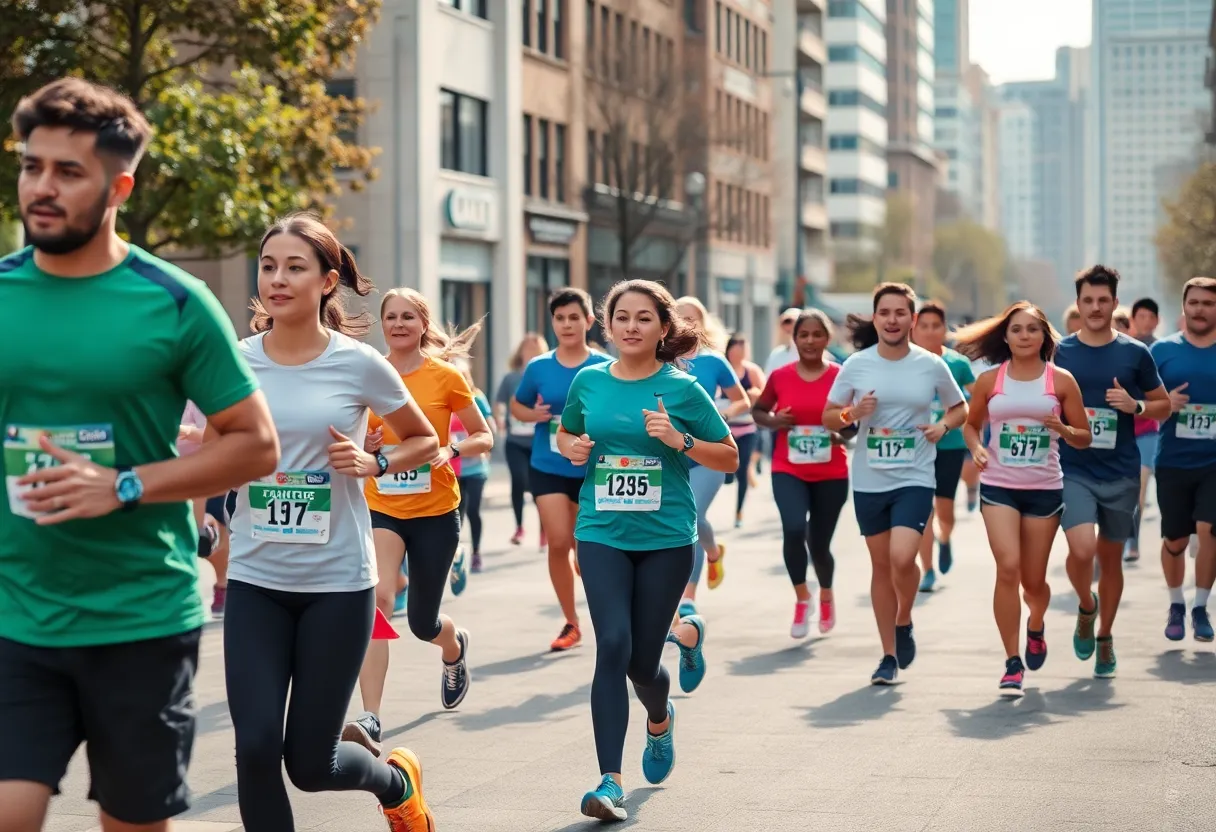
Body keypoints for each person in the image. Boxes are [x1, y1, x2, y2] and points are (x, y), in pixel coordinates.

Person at [0, 78, 280, 832]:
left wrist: (122, 483)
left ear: (119, 185)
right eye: (32, 167)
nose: (42, 187)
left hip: (140, 620)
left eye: (68, 172)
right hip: (16, 614)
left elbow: (255, 444)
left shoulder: (177, 302)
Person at [223, 215, 442, 830]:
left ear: (327, 281)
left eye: (295, 267)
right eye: (268, 266)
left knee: (311, 764)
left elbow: (424, 442)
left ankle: (395, 781)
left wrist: (374, 461)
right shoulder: (233, 363)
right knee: (257, 747)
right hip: (256, 579)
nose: (277, 279)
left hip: (337, 586)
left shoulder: (359, 363)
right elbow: (204, 448)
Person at [556, 279, 737, 822]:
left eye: (643, 318)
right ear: (605, 325)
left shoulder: (682, 389)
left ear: (663, 329)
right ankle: (610, 781)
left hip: (665, 538)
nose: (631, 327)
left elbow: (728, 456)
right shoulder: (588, 382)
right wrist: (574, 447)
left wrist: (678, 440)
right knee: (612, 644)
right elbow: (564, 435)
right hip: (602, 531)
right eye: (621, 317)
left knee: (640, 661)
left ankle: (659, 720)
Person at [344, 287, 491, 756]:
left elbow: (484, 436)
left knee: (423, 622)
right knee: (379, 600)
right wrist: (364, 444)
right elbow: (354, 434)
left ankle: (453, 646)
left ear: (423, 324)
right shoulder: (369, 372)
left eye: (409, 316)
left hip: (435, 510)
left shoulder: (445, 378)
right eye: (392, 317)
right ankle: (370, 716)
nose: (400, 324)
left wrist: (451, 449)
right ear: (382, 323)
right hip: (382, 504)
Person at [823, 283, 967, 685]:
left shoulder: (930, 365)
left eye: (900, 312)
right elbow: (829, 417)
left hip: (916, 476)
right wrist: (854, 411)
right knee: (882, 565)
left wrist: (942, 425)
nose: (891, 319)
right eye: (884, 312)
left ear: (912, 319)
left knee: (904, 558)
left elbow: (961, 408)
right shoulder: (856, 365)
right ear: (875, 318)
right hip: (870, 479)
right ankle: (888, 653)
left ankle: (904, 618)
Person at [956, 303, 1092, 694]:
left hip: (1044, 488)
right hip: (999, 486)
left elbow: (1084, 437)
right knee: (1008, 568)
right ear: (1006, 336)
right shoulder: (990, 380)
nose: (1025, 336)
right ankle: (1012, 661)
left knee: (1033, 583)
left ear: (1044, 336)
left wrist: (1063, 429)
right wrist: (977, 449)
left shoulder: (1061, 380)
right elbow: (971, 425)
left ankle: (1036, 623)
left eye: (1033, 329)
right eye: (1017, 329)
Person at [1054, 265, 1172, 679]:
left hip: (1121, 471)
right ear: (1079, 303)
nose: (1096, 307)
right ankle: (1087, 606)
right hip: (1074, 468)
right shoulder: (1061, 352)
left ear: (1115, 303)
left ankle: (1104, 635)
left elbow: (1164, 405)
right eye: (1088, 300)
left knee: (1111, 559)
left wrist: (1135, 405)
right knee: (1081, 550)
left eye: (1103, 300)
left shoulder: (1135, 353)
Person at [513, 288, 612, 651]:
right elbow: (517, 406)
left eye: (574, 317)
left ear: (589, 321)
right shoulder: (539, 367)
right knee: (558, 542)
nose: (567, 324)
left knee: (586, 551)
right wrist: (533, 415)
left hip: (593, 469)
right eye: (559, 318)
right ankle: (571, 622)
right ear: (552, 322)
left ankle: (612, 618)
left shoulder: (603, 366)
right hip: (548, 465)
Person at [752, 310, 853, 637]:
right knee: (794, 529)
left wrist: (842, 434)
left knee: (819, 544)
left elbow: (854, 424)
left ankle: (825, 595)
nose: (810, 341)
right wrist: (775, 421)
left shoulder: (841, 375)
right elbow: (758, 410)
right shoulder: (781, 376)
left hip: (831, 471)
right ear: (794, 340)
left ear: (828, 338)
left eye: (817, 334)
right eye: (803, 335)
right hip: (788, 467)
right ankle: (802, 598)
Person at [673, 297, 748, 610]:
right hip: (673, 455)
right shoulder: (660, 360)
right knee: (681, 521)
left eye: (694, 319)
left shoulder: (715, 361)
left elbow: (742, 400)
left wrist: (723, 416)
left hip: (709, 453)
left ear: (703, 325)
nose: (688, 324)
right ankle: (713, 550)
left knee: (692, 516)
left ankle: (688, 599)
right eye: (681, 318)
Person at [1151, 277, 1216, 642]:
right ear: (1184, 307)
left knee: (1209, 530)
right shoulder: (1162, 352)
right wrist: (1165, 405)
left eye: (1208, 303)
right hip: (1174, 460)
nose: (1200, 309)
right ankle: (1176, 603)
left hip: (1214, 461)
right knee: (1175, 539)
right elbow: (1142, 407)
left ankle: (1200, 607)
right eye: (1194, 303)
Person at [911, 301, 976, 591]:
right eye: (922, 326)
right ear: (913, 329)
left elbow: (977, 399)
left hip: (949, 446)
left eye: (935, 325)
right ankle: (927, 570)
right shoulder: (906, 362)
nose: (928, 331)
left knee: (945, 512)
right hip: (915, 447)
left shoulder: (957, 364)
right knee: (923, 511)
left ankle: (945, 538)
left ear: (944, 329)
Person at [495, 333, 549, 547]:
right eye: (528, 348)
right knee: (519, 480)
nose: (531, 353)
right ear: (521, 352)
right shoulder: (511, 378)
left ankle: (545, 528)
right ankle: (519, 527)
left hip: (539, 440)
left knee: (539, 486)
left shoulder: (545, 376)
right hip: (515, 441)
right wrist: (499, 419)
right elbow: (499, 402)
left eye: (536, 349)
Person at [178, 402, 230, 619]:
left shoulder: (203, 390)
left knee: (203, 539)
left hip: (210, 474)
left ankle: (224, 584)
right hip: (166, 475)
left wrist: (187, 432)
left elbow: (222, 436)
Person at [453, 358, 495, 573]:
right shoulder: (445, 398)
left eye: (463, 375)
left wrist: (484, 446)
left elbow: (490, 427)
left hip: (476, 467)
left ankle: (476, 552)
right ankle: (456, 552)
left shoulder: (476, 399)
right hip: (452, 468)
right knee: (456, 512)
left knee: (474, 510)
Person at [724, 331, 766, 527]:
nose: (740, 351)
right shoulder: (722, 369)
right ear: (729, 349)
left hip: (747, 428)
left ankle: (739, 512)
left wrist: (755, 394)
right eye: (736, 347)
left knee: (742, 472)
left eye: (744, 347)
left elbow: (765, 395)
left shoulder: (752, 371)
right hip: (724, 429)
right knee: (727, 475)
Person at [764, 307, 803, 374]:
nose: (789, 326)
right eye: (787, 322)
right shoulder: (776, 354)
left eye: (791, 322)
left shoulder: (817, 354)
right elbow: (768, 379)